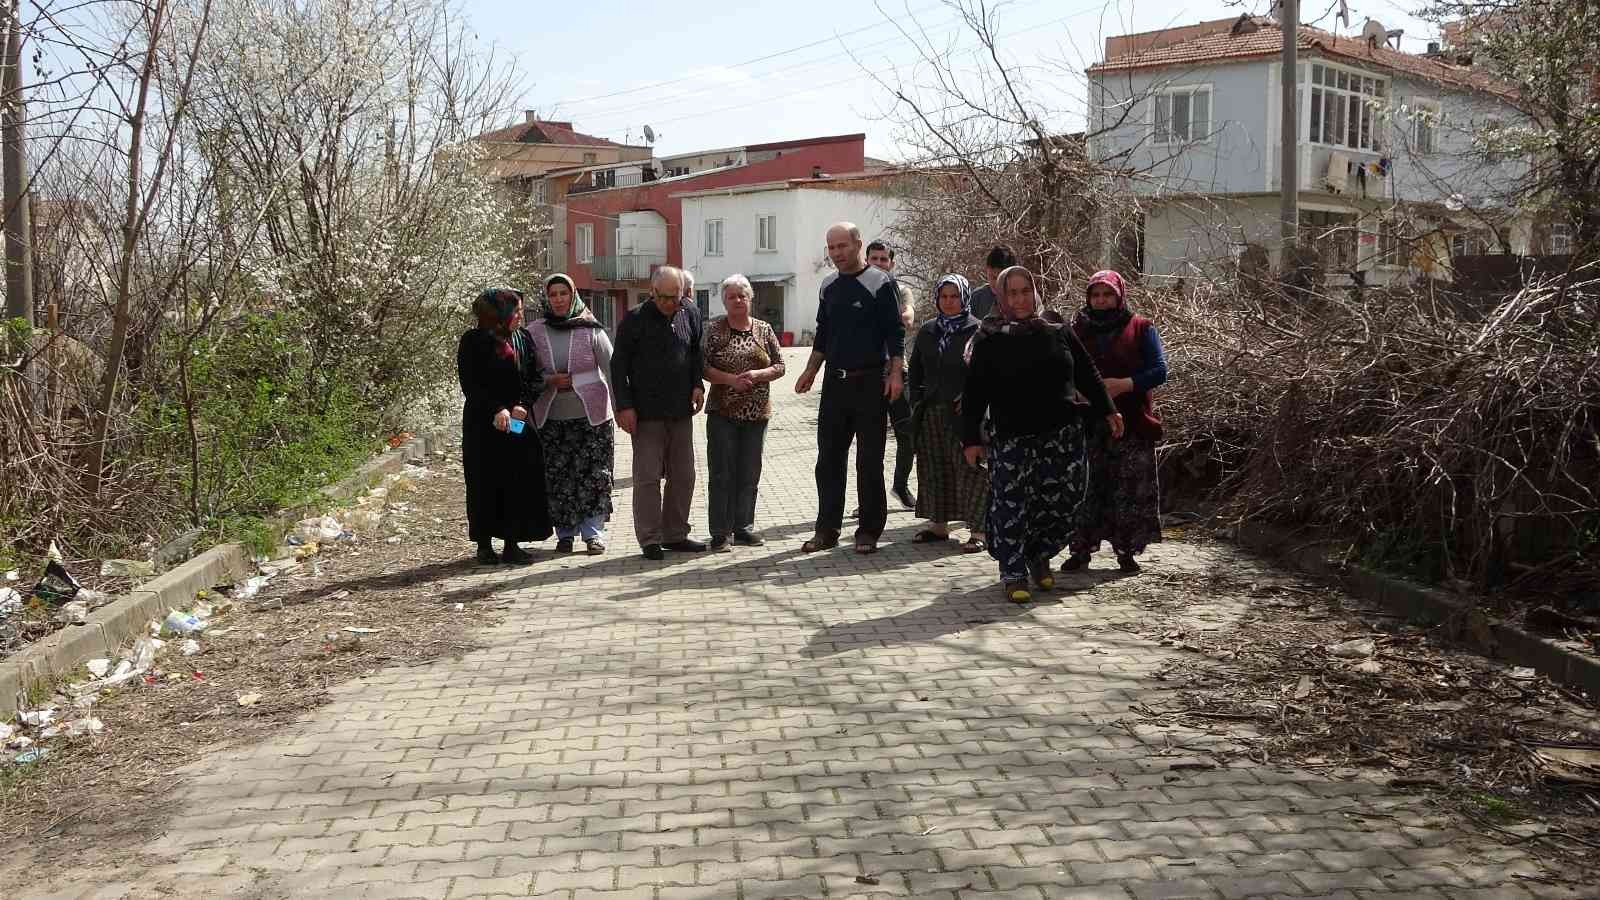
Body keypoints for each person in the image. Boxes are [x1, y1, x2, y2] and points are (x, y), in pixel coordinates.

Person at [961, 266, 1123, 603]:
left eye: (1025, 291)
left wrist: (1108, 409)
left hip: (1061, 434)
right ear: (1002, 297)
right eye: (1012, 293)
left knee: (1065, 501)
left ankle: (1038, 554)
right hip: (1012, 436)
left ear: (1034, 292)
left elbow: (1086, 372)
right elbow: (974, 393)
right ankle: (1014, 569)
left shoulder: (1056, 329)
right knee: (1013, 505)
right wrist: (971, 440)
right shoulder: (990, 338)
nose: (1020, 299)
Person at [794, 222, 906, 555]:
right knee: (828, 460)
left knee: (869, 461)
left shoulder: (879, 282)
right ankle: (826, 529)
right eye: (831, 248)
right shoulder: (828, 286)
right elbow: (823, 334)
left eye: (843, 246)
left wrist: (896, 374)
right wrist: (810, 371)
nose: (837, 253)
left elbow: (895, 333)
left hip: (871, 382)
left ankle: (869, 531)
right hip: (834, 385)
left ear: (858, 244)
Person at [1064, 269, 1168, 574]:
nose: (1101, 300)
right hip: (1088, 425)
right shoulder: (1076, 330)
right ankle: (1080, 550)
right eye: (1095, 295)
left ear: (1119, 295)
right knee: (1086, 489)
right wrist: (1079, 392)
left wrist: (1125, 384)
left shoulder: (1140, 328)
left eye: (1107, 294)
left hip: (1132, 425)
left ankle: (1126, 552)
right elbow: (1063, 368)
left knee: (1128, 490)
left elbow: (1159, 370)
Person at [612, 266, 708, 560]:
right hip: (646, 414)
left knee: (684, 476)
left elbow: (695, 354)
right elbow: (618, 366)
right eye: (663, 297)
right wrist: (624, 407)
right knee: (647, 478)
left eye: (675, 297)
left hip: (681, 412)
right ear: (652, 292)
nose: (669, 303)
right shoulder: (635, 320)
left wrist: (697, 385)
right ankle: (650, 539)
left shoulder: (689, 314)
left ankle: (675, 534)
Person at [457, 288, 553, 565]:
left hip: (517, 423)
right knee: (484, 481)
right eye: (516, 310)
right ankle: (484, 545)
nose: (521, 315)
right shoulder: (473, 341)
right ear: (499, 314)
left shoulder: (523, 339)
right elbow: (471, 383)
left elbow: (537, 376)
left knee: (518, 478)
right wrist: (496, 408)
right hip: (483, 424)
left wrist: (523, 403)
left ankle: (513, 542)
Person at [526, 274, 615, 555]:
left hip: (592, 418)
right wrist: (550, 381)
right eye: (553, 294)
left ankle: (593, 534)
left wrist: (623, 409)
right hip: (551, 418)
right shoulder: (535, 331)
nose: (559, 299)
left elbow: (611, 370)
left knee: (593, 476)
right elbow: (527, 374)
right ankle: (564, 534)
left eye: (564, 293)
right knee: (558, 477)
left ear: (573, 295)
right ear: (547, 298)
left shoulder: (591, 329)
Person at [702, 274, 787, 551]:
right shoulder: (714, 330)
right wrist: (730, 380)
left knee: (749, 472)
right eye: (732, 296)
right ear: (724, 300)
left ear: (750, 299)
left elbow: (780, 365)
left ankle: (744, 528)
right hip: (722, 413)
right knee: (722, 473)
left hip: (757, 413)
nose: (737, 300)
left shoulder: (763, 329)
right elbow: (702, 367)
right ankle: (720, 532)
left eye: (742, 295)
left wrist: (759, 374)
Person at [907, 274, 988, 553]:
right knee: (933, 468)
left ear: (964, 298)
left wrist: (971, 397)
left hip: (964, 414)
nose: (949, 302)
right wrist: (916, 399)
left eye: (955, 296)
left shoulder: (978, 330)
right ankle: (938, 525)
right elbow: (915, 368)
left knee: (971, 469)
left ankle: (978, 530)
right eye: (944, 297)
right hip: (931, 412)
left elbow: (985, 372)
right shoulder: (929, 330)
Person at [867, 239, 917, 510]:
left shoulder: (901, 290)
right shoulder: (858, 289)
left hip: (899, 372)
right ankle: (871, 498)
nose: (878, 264)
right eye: (873, 259)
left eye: (883, 259)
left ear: (892, 264)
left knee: (906, 435)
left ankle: (901, 485)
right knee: (871, 439)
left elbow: (907, 318)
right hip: (869, 375)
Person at [967, 245, 1016, 321]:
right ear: (986, 270)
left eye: (1001, 278)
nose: (996, 283)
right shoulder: (977, 298)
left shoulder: (1025, 297)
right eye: (992, 277)